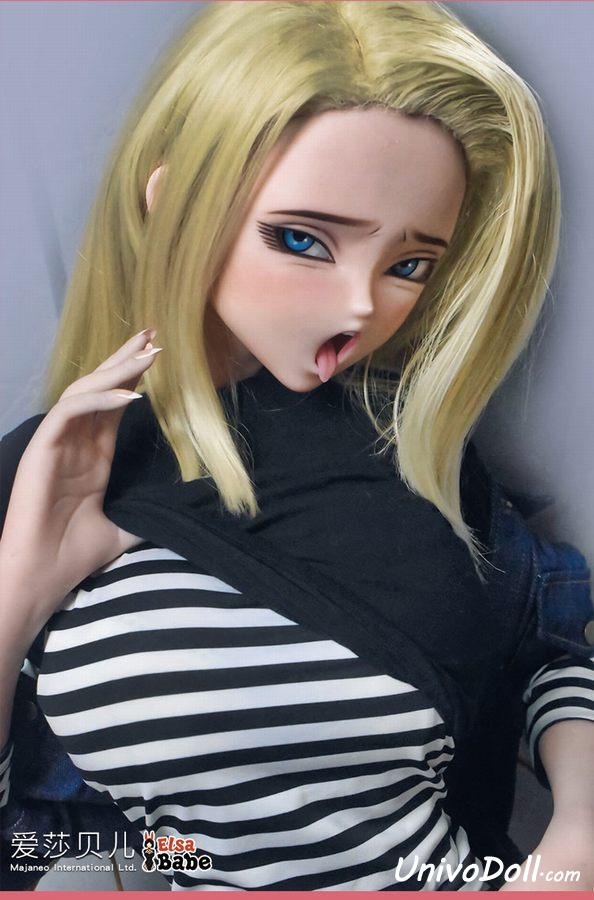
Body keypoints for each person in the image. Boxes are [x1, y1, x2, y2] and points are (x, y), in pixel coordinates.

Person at [1, 1, 593, 891]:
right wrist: (18, 593)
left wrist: (575, 842)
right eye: (303, 240)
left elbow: (551, 648)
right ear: (175, 205)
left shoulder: (413, 443)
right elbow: (27, 840)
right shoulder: (52, 471)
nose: (362, 305)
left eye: (409, 265)